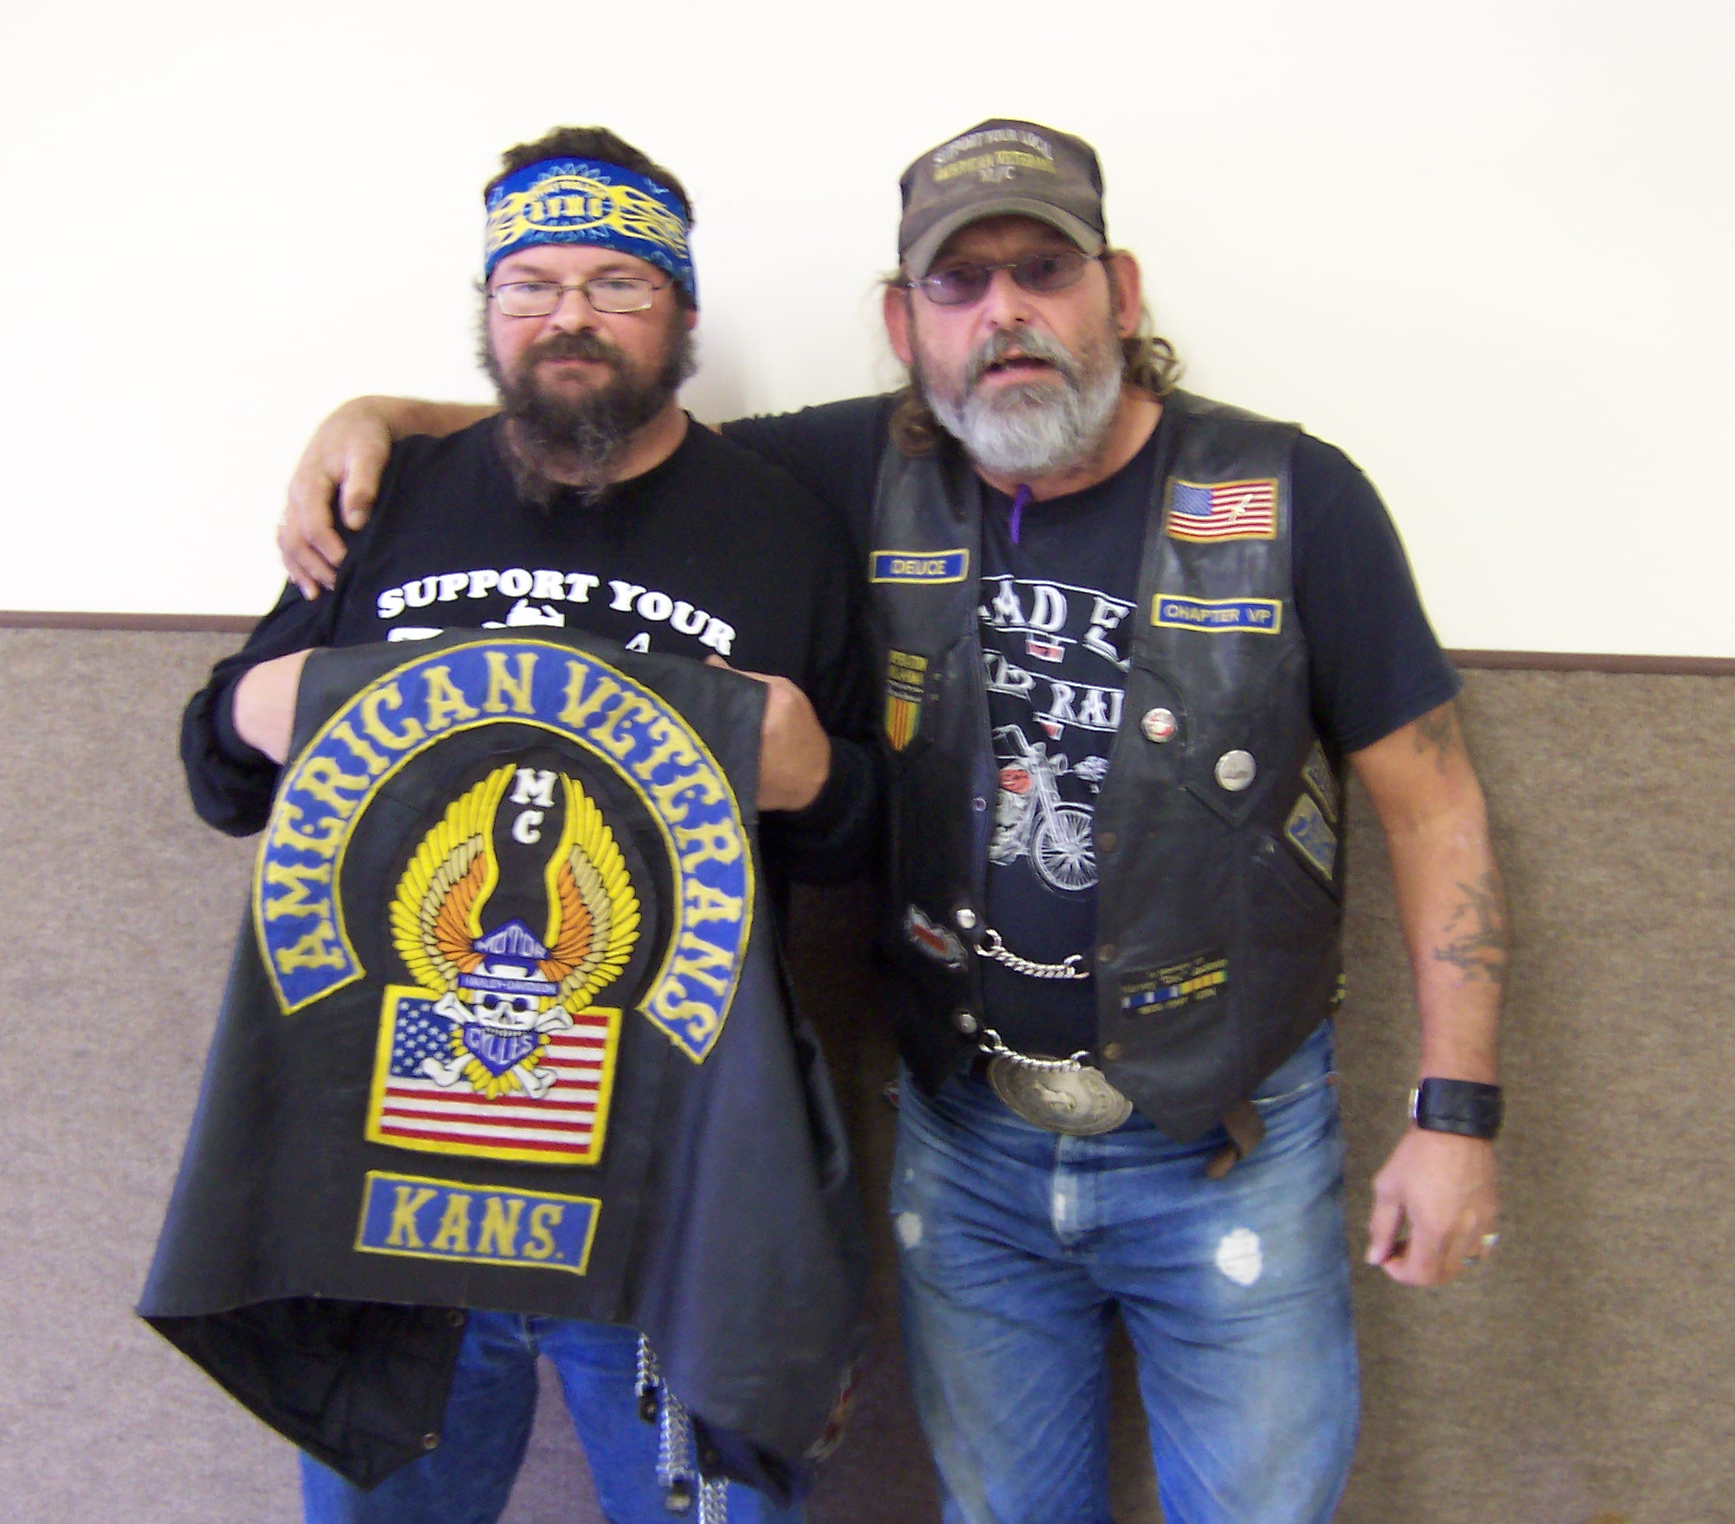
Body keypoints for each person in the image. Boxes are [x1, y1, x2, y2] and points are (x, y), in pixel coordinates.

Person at [274, 118, 1507, 1524]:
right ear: (902, 322)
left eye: (1044, 269)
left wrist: (1456, 1115)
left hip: (1232, 1142)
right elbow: (610, 417)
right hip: (968, 1142)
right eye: (958, 283)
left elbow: (1435, 806)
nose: (1005, 313)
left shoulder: (1293, 496)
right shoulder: (857, 470)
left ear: (1121, 292)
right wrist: (381, 419)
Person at [179, 126, 879, 1524]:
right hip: (392, 1187)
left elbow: (860, 841)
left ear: (683, 312)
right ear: (488, 309)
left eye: (618, 282)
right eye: (530, 284)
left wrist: (813, 775)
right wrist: (260, 705)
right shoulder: (387, 499)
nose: (570, 316)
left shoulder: (781, 528)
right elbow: (221, 779)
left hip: (666, 1192)